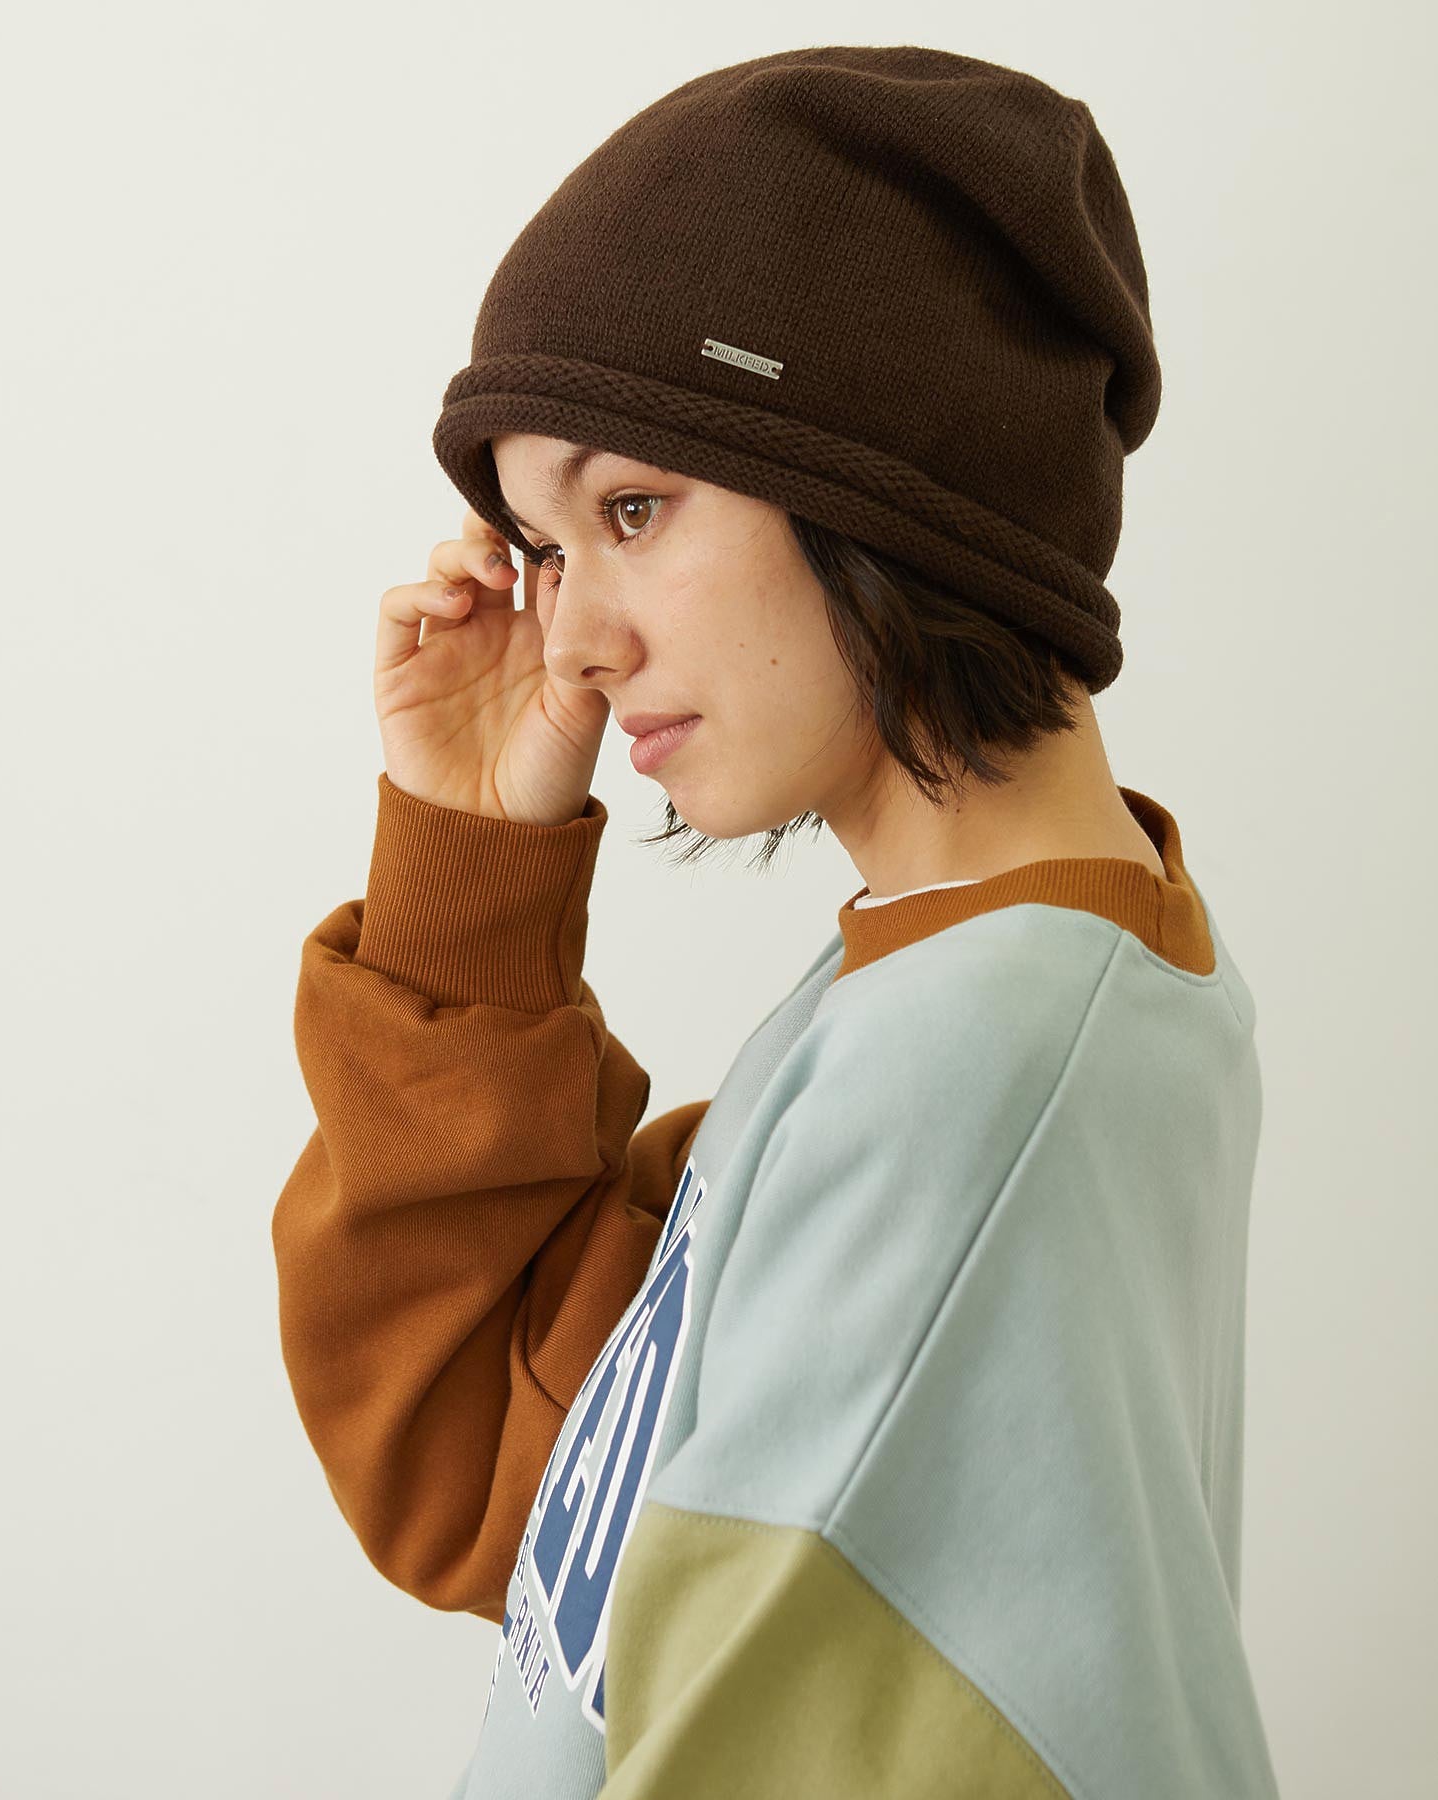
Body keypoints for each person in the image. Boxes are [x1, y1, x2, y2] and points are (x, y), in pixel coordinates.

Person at [272, 43, 1281, 1800]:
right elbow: (495, 1481)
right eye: (543, 550)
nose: (573, 641)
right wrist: (474, 857)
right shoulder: (941, 988)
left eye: (631, 509)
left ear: (886, 467)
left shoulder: (964, 1076)